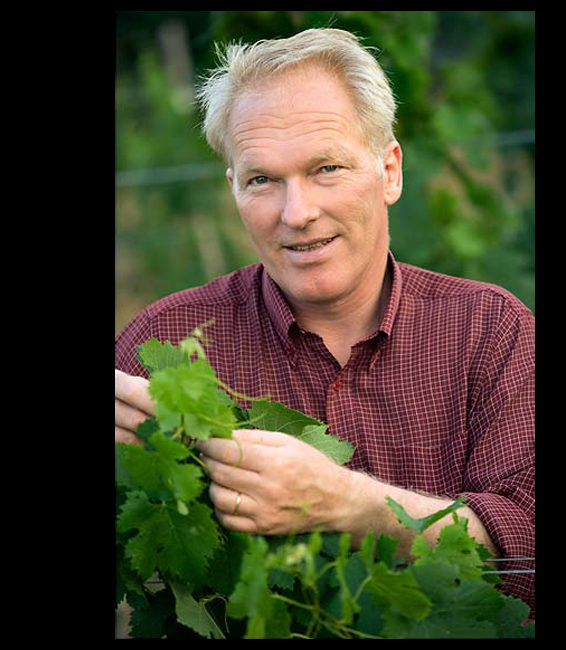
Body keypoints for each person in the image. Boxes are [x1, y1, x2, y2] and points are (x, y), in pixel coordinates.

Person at [115, 28, 535, 617]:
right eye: (262, 179)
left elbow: (529, 552)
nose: (298, 213)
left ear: (389, 171)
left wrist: (349, 505)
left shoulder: (492, 331)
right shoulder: (162, 347)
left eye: (326, 168)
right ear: (232, 187)